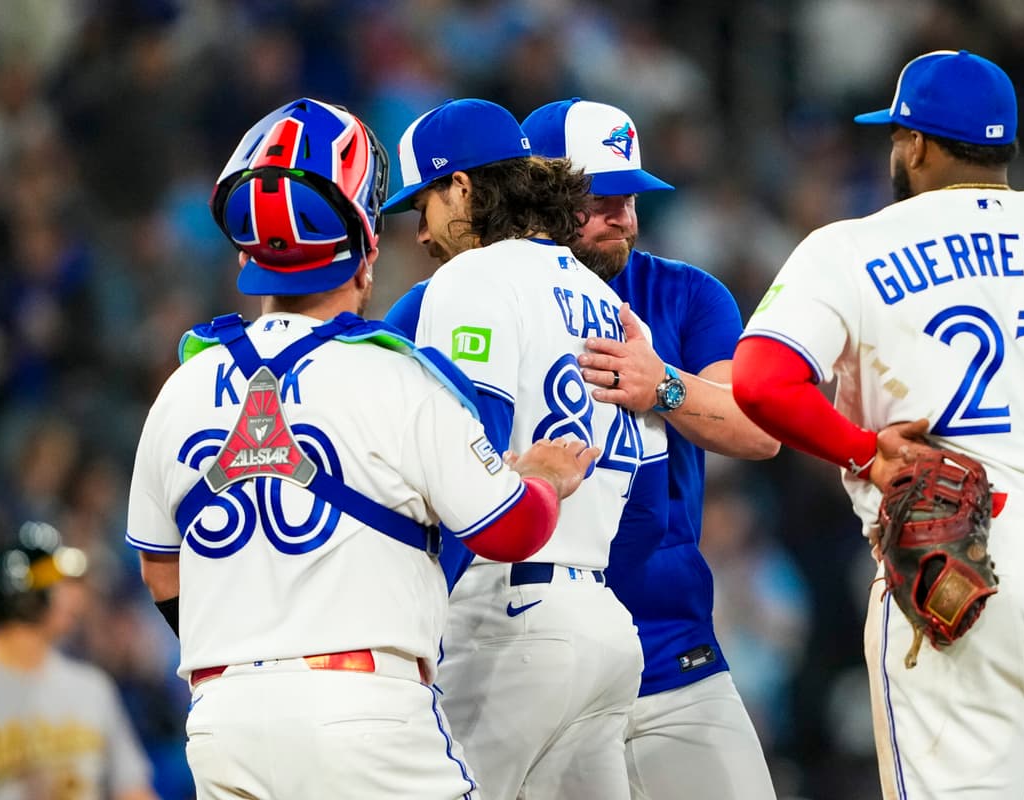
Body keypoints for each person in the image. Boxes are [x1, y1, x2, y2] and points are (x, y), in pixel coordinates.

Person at [125, 97, 599, 800]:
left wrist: (257, 640)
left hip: (223, 721)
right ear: (366, 250)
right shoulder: (398, 376)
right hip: (363, 714)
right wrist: (543, 478)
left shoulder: (181, 387)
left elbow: (159, 571)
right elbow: (511, 529)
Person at [732, 49, 1024, 798]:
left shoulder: (852, 245)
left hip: (960, 564)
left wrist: (866, 452)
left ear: (918, 143)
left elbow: (761, 382)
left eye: (897, 136)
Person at [382, 98, 668, 800]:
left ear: (465, 189)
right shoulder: (599, 295)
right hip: (600, 619)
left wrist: (413, 625)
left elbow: (464, 458)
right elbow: (650, 506)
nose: (420, 233)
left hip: (505, 620)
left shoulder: (469, 279)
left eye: (424, 202)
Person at [519, 98, 780, 800]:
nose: (626, 220)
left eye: (631, 199)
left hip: (675, 652)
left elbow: (757, 429)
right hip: (534, 662)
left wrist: (662, 384)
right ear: (542, 193)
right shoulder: (470, 299)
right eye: (604, 201)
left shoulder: (685, 294)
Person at [0, 521, 158, 800]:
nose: (76, 596)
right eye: (61, 583)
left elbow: (133, 791)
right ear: (23, 594)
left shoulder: (93, 689)